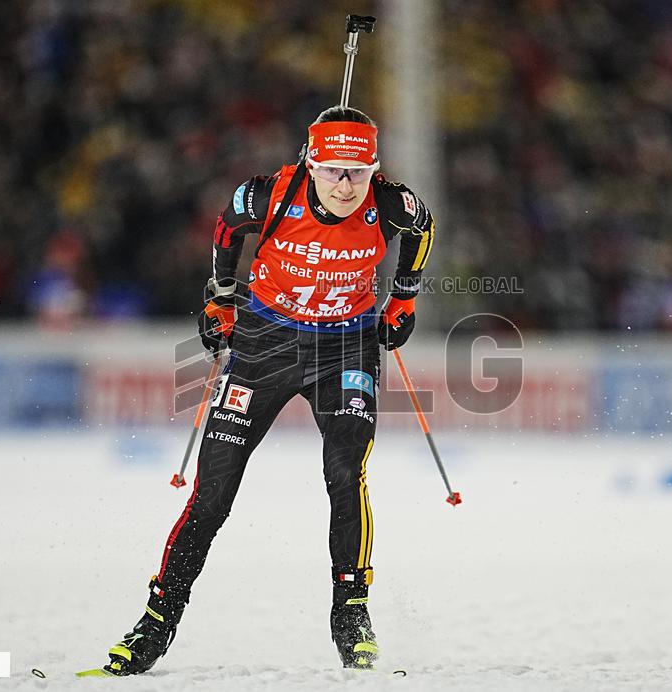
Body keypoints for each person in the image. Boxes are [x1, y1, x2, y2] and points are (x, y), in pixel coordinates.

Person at [94, 106, 435, 675]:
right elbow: (228, 227)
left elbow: (422, 229)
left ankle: (351, 610)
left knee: (344, 471)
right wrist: (220, 295)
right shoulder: (269, 194)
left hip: (345, 347)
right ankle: (157, 620)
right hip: (264, 346)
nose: (346, 184)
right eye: (333, 170)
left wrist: (404, 297)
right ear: (311, 162)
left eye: (358, 171)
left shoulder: (393, 201)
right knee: (213, 493)